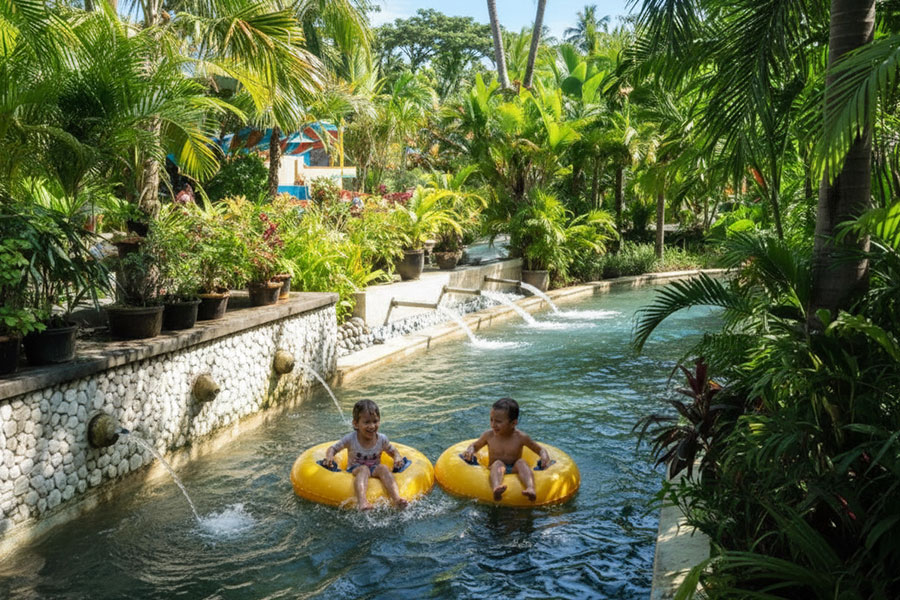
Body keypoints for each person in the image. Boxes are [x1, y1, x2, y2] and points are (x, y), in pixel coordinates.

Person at [322, 400, 409, 510]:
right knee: (363, 469)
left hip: (374, 468)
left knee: (383, 468)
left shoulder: (382, 439)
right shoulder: (350, 439)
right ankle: (362, 502)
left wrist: (397, 457)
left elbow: (393, 451)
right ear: (356, 424)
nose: (372, 426)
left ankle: (396, 500)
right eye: (367, 422)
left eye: (375, 421)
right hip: (355, 469)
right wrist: (329, 456)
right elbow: (333, 448)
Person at [463, 398, 550, 502]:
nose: (493, 424)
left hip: (514, 469)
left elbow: (539, 449)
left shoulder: (521, 437)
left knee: (521, 462)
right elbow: (475, 446)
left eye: (498, 421)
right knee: (498, 463)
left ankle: (530, 488)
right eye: (491, 419)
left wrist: (544, 456)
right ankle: (496, 488)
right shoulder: (488, 435)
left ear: (513, 423)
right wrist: (470, 450)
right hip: (495, 469)